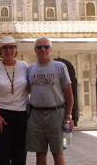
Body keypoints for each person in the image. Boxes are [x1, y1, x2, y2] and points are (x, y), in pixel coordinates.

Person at [26, 36, 74, 165]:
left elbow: (69, 93)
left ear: (51, 49)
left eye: (46, 46)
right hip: (36, 115)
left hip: (56, 114)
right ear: (35, 50)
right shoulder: (30, 69)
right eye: (39, 47)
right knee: (40, 153)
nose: (43, 49)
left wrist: (68, 116)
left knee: (57, 152)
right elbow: (27, 91)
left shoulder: (60, 66)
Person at [0, 36, 29, 165]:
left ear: (16, 50)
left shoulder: (24, 66)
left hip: (21, 115)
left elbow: (30, 88)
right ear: (1, 51)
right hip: (2, 116)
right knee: (1, 155)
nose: (8, 50)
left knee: (20, 155)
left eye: (11, 47)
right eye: (5, 48)